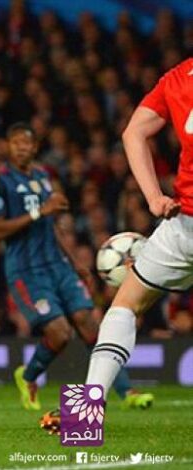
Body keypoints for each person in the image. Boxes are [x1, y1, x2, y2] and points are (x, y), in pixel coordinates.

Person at [0, 122, 152, 412]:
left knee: (89, 324)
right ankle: (28, 377)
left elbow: (51, 226)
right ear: (8, 146)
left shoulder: (42, 176)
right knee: (60, 333)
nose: (21, 147)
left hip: (58, 265)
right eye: (16, 142)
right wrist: (39, 212)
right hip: (26, 270)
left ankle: (127, 392)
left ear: (35, 147)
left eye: (26, 142)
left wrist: (76, 262)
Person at [85, 58, 193, 400]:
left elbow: (132, 132)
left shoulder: (177, 77)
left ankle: (84, 413)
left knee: (124, 307)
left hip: (184, 225)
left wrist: (154, 197)